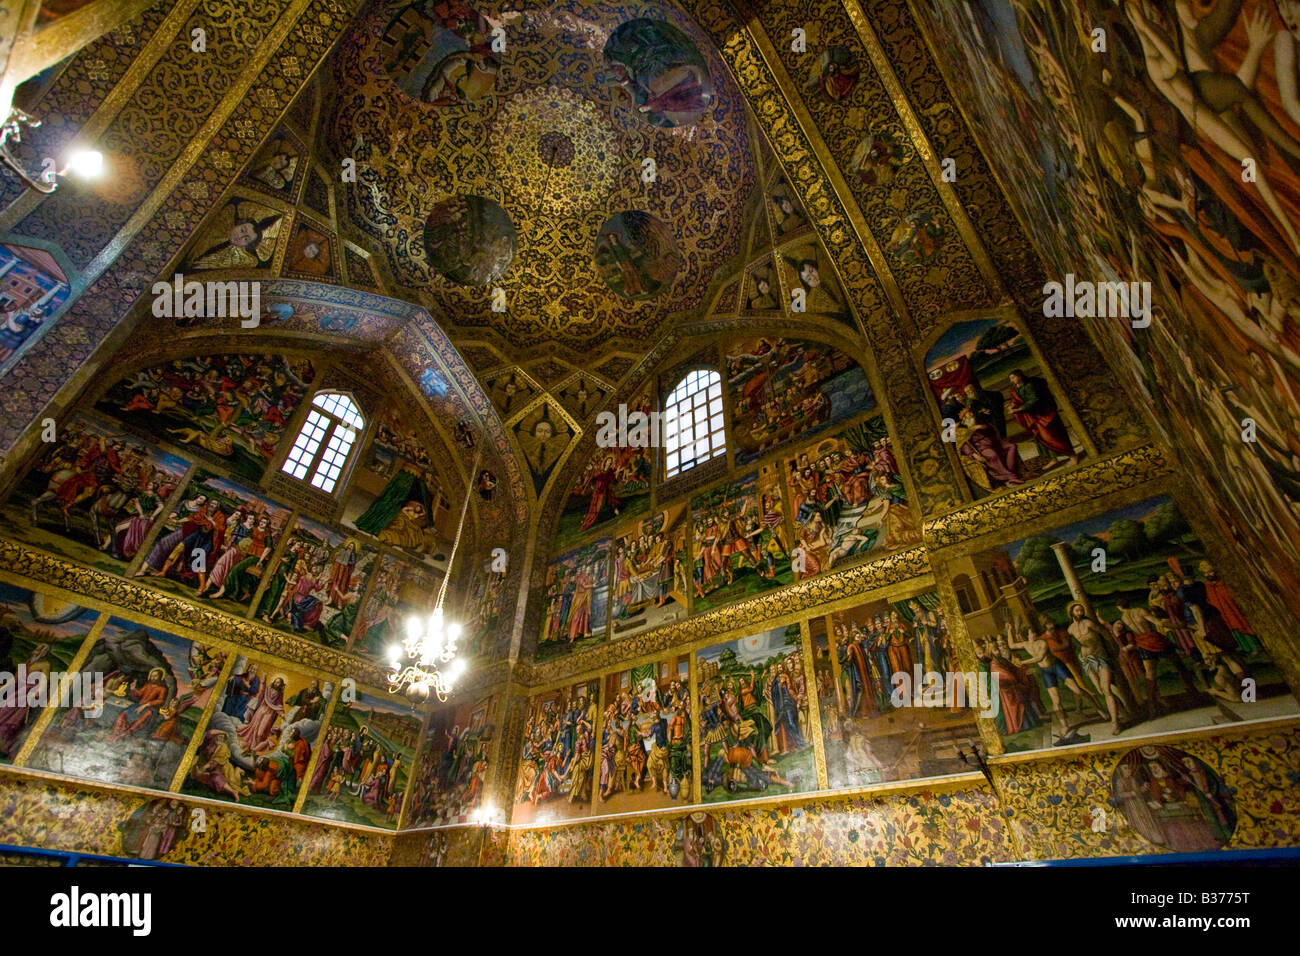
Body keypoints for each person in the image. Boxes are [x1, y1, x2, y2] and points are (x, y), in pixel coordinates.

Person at [1007, 369, 1078, 465]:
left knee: (1052, 437)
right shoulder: (1016, 389)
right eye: (1010, 379)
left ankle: (1072, 455)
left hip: (1044, 414)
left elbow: (1034, 400)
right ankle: (1053, 459)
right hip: (1033, 416)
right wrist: (1013, 405)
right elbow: (1017, 400)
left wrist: (1017, 410)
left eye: (1013, 377)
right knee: (1040, 438)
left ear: (1019, 376)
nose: (1012, 380)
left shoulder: (1030, 385)